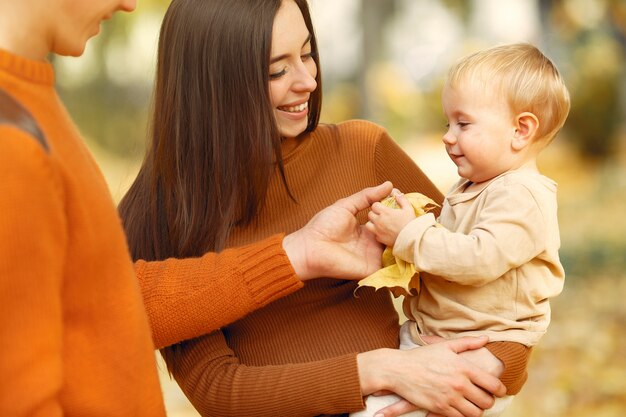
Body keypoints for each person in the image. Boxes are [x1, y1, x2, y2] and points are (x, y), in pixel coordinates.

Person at [0, 0, 488, 416]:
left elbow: (486, 286)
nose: (307, 82)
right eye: (277, 69)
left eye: (308, 54)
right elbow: (218, 389)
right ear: (214, 84)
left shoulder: (363, 151)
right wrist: (380, 371)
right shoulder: (162, 213)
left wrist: (481, 375)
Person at [363, 43, 570, 417]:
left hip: (480, 351)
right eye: (447, 123)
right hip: (437, 339)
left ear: (521, 130)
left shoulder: (522, 194)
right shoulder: (476, 187)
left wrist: (410, 233)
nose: (447, 136)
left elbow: (478, 258)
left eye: (463, 123)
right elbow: (442, 255)